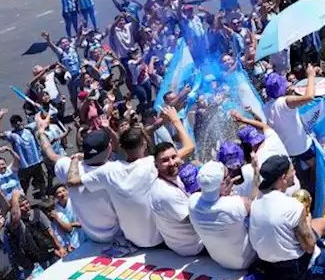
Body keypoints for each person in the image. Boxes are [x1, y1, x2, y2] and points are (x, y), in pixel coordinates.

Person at [68, 109, 194, 249]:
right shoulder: (151, 165)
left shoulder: (108, 170)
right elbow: (189, 147)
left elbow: (72, 181)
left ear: (121, 147)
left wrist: (75, 159)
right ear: (144, 145)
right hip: (159, 239)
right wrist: (175, 120)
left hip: (132, 240)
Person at [189, 160, 255, 270]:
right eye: (228, 174)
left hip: (218, 260)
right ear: (223, 183)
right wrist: (257, 176)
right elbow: (258, 208)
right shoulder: (237, 204)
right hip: (247, 260)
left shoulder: (192, 201)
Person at [148, 142, 203, 257]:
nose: (172, 163)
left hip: (187, 239)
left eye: (174, 157)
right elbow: (198, 219)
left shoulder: (171, 177)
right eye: (165, 160)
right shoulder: (165, 192)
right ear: (156, 165)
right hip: (193, 246)